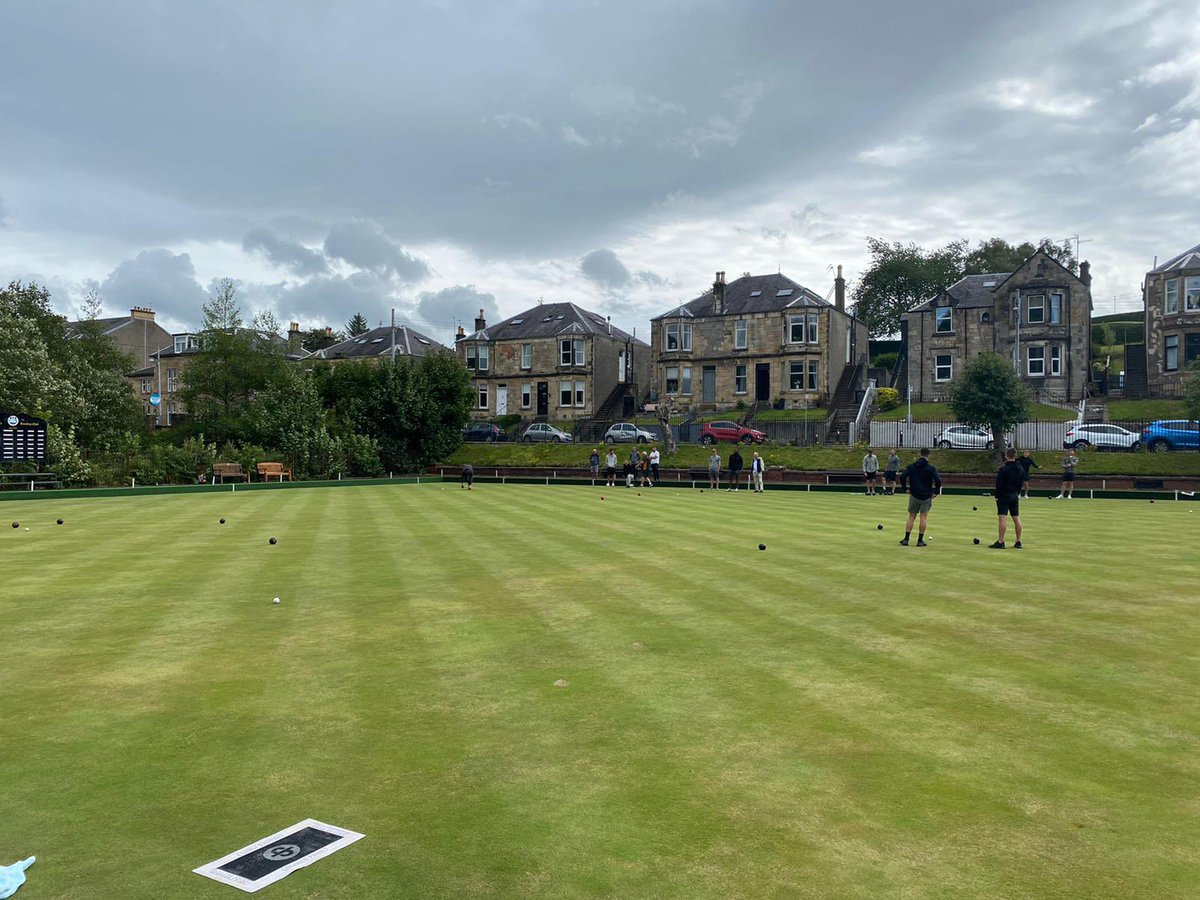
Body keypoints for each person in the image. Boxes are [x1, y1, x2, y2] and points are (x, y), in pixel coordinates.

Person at [898, 448, 941, 547]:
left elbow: (902, 477)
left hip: (914, 494)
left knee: (911, 516)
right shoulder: (931, 468)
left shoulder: (911, 466)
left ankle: (906, 539)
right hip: (926, 495)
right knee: (923, 517)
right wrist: (936, 492)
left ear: (920, 454)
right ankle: (920, 540)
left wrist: (905, 489)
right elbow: (938, 481)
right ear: (928, 455)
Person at [991, 447, 1024, 549]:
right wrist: (1017, 493)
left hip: (1004, 496)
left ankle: (1001, 541)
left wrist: (997, 496)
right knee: (1016, 518)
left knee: (1002, 518)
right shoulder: (1020, 468)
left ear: (1006, 456)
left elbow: (999, 485)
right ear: (1015, 456)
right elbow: (1021, 483)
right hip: (1014, 495)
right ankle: (1018, 541)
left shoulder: (1003, 469)